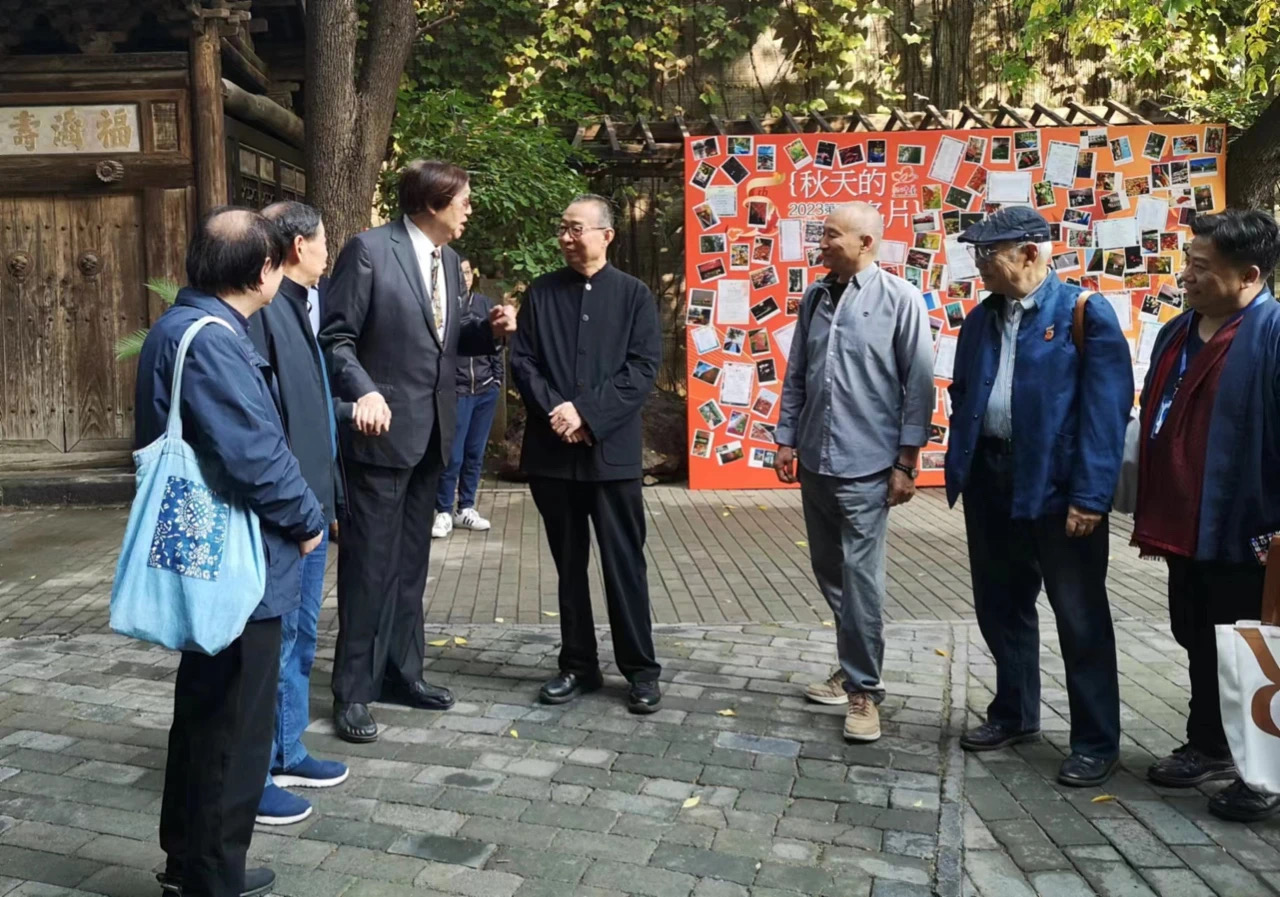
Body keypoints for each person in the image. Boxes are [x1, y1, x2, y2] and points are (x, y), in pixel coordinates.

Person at [137, 208, 326, 897]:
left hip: (212, 555)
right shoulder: (213, 340)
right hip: (241, 562)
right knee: (234, 725)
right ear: (262, 270)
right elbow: (254, 455)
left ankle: (189, 862)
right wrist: (307, 519)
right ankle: (214, 875)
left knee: (205, 712)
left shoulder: (180, 326)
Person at [320, 160, 517, 743]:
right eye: (463, 200)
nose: (469, 209)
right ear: (433, 203)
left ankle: (402, 674)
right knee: (368, 569)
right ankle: (353, 691)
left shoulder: (449, 262)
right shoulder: (368, 251)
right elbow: (335, 338)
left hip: (433, 435)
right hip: (379, 436)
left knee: (411, 567)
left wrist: (490, 333)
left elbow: (443, 343)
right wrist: (364, 392)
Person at [945, 207, 1132, 787]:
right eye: (976, 254)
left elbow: (1106, 414)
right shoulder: (981, 319)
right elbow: (964, 393)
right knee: (1000, 604)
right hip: (990, 478)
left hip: (1058, 488)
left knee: (1079, 615)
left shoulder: (1083, 312)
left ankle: (1096, 742)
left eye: (988, 254)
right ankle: (1014, 712)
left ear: (1030, 253)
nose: (979, 266)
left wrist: (1091, 496)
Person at [1134, 210, 1280, 822]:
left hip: (1253, 527)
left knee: (1254, 650)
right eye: (1187, 263)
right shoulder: (1177, 331)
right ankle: (1209, 745)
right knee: (1197, 635)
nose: (1186, 277)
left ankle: (1262, 774)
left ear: (1249, 275)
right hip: (1188, 522)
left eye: (1201, 267)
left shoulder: (1273, 333)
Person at [773, 202, 934, 743]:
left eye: (831, 235)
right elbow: (798, 372)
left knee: (860, 579)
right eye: (822, 235)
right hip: (816, 460)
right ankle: (853, 664)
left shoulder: (900, 299)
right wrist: (786, 438)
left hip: (869, 466)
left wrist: (906, 462)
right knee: (830, 571)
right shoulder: (816, 297)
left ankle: (865, 691)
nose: (821, 244)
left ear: (866, 242)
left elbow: (919, 387)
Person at [510, 194, 663, 714]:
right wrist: (559, 411)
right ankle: (578, 664)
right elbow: (524, 361)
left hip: (611, 454)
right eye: (563, 228)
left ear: (606, 235)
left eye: (576, 229)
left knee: (624, 564)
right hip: (553, 454)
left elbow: (642, 369)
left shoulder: (634, 295)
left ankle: (641, 670)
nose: (566, 238)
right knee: (568, 566)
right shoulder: (542, 292)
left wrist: (586, 414)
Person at [246, 201, 351, 826]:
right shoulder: (264, 314)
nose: (327, 253)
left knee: (301, 638)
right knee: (274, 643)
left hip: (311, 507)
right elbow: (267, 425)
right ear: (295, 247)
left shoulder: (299, 307)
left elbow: (311, 412)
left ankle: (288, 749)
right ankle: (254, 773)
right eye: (322, 242)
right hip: (284, 515)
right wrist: (297, 509)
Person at [432, 255, 504, 538]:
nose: (464, 277)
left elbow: (496, 345)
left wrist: (497, 379)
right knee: (453, 454)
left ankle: (466, 507)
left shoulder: (485, 304)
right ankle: (443, 510)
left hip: (485, 390)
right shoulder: (446, 306)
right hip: (458, 392)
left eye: (467, 272)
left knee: (475, 452)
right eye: (459, 272)